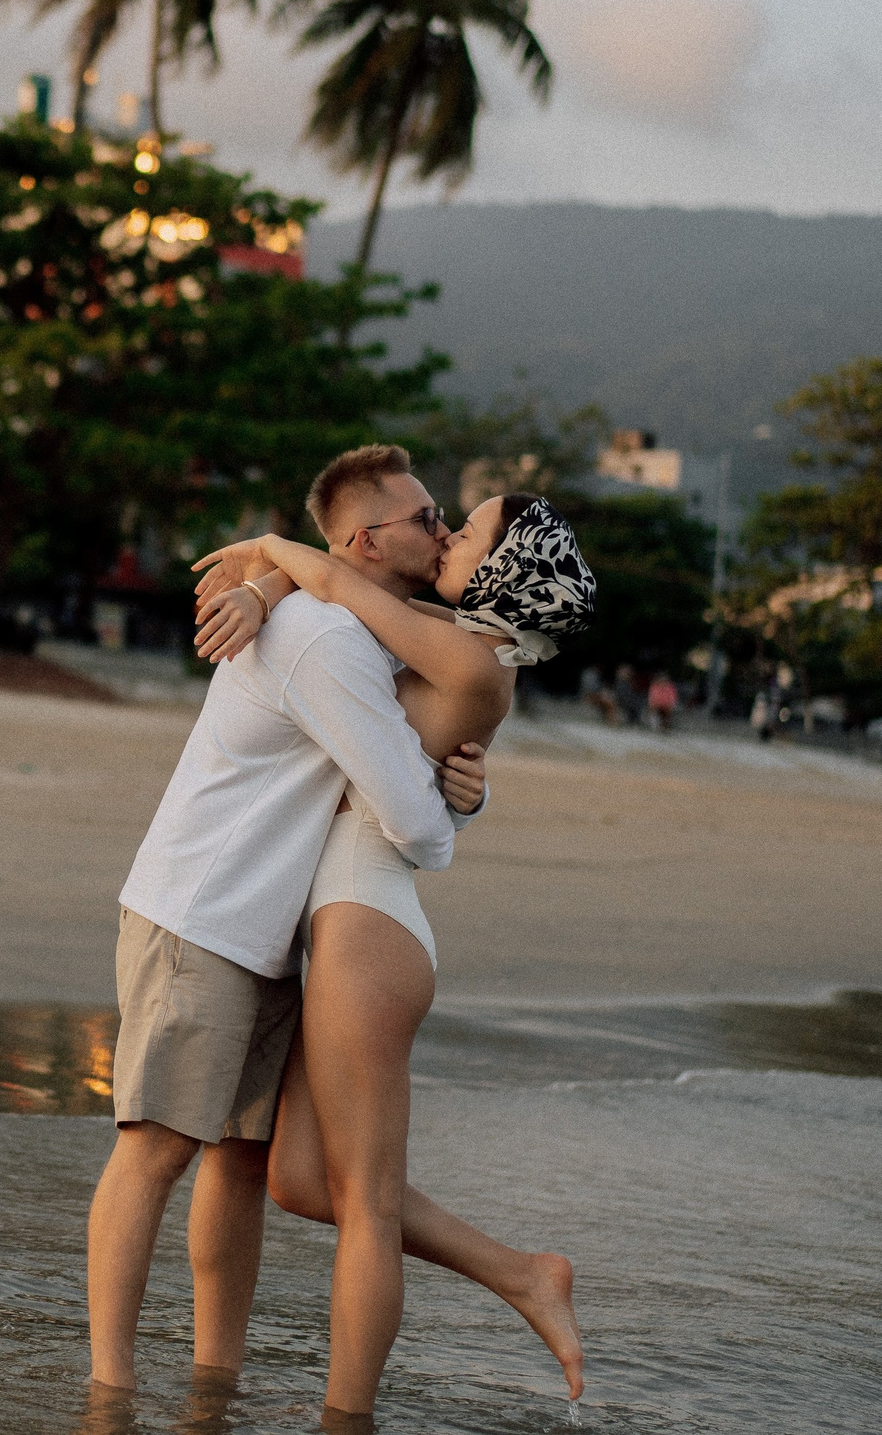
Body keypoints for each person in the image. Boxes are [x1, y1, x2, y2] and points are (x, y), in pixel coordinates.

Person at [185, 472, 597, 1418]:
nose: (448, 539)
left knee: (366, 1207)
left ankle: (348, 1416)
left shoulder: (472, 660)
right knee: (300, 1181)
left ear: (502, 572)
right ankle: (522, 1273)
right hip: (350, 923)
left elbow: (339, 583)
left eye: (468, 536)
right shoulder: (464, 647)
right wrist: (269, 584)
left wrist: (271, 550)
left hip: (368, 927)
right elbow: (348, 599)